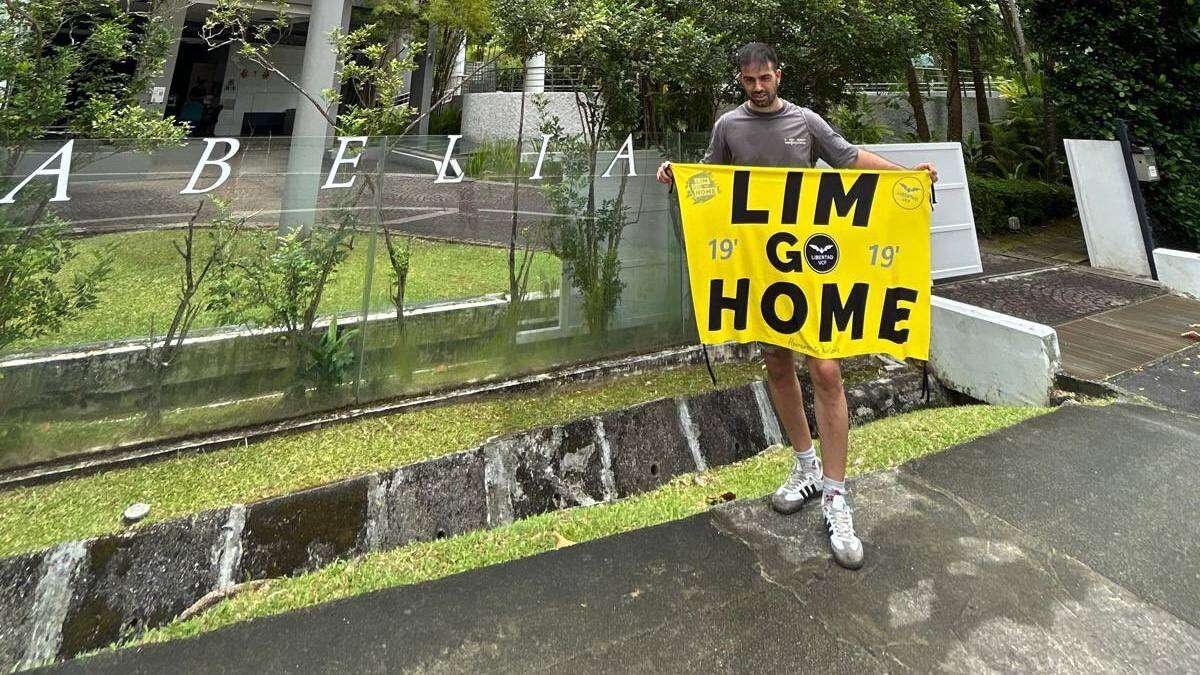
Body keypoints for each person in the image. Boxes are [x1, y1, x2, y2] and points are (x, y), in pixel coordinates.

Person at [657, 42, 938, 570]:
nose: (758, 89)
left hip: (813, 268)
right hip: (765, 273)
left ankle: (836, 494)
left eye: (765, 79)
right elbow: (712, 183)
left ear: (778, 76)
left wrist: (907, 177)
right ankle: (805, 466)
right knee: (778, 365)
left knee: (826, 370)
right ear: (740, 81)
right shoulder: (729, 127)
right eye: (749, 82)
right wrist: (680, 176)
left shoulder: (805, 121)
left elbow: (851, 159)